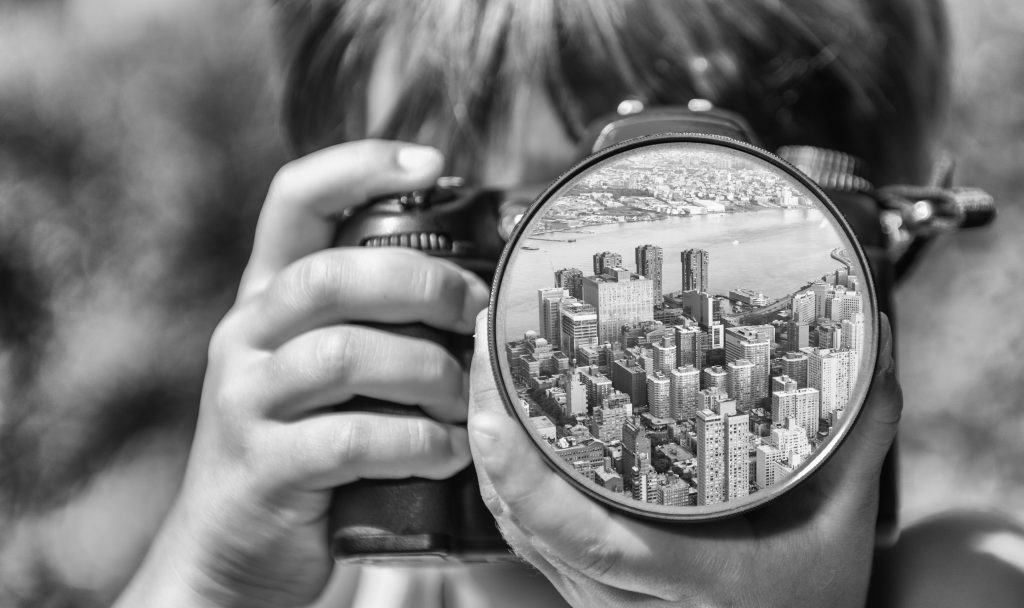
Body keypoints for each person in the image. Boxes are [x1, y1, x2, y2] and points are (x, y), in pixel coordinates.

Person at [102, 1, 1021, 607]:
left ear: (866, 272)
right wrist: (212, 576)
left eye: (723, 242)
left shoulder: (968, 583)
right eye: (523, 240)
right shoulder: (346, 586)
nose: (624, 329)